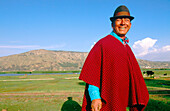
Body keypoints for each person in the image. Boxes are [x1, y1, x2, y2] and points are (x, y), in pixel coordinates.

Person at [79, 5, 149, 111]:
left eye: (126, 20)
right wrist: (95, 97)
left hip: (123, 101)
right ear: (112, 24)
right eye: (119, 19)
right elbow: (92, 74)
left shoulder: (126, 47)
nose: (123, 23)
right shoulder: (103, 44)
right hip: (106, 99)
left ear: (130, 25)